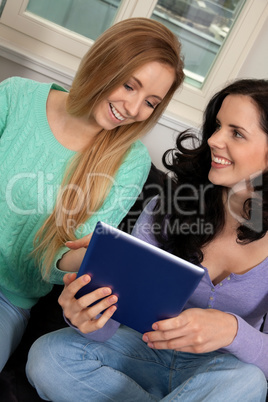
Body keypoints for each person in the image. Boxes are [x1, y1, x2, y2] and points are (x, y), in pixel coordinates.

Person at [26, 78, 268, 402]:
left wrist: (232, 330)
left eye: (236, 133)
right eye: (217, 126)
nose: (213, 139)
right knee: (47, 357)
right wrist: (88, 316)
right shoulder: (169, 206)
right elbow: (113, 321)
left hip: (219, 373)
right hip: (141, 350)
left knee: (248, 382)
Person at [0, 17, 184, 371]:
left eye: (151, 102)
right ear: (104, 63)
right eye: (130, 86)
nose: (133, 109)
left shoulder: (130, 161)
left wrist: (90, 263)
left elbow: (59, 257)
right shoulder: (15, 97)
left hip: (9, 301)